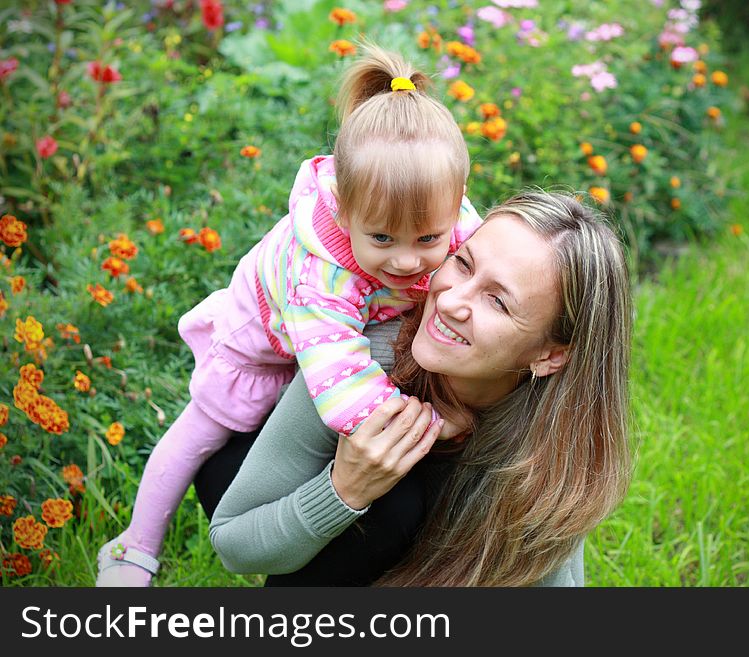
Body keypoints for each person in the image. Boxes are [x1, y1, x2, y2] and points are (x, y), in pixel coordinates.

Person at [95, 44, 482, 586]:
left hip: (331, 339)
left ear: (456, 202)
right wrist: (432, 425)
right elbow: (341, 383)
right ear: (344, 209)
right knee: (196, 437)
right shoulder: (320, 278)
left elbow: (479, 262)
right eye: (381, 238)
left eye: (428, 238)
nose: (406, 260)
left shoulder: (454, 220)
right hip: (257, 350)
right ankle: (134, 548)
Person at [208, 191, 633, 586]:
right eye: (463, 263)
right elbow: (235, 544)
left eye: (497, 301)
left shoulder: (551, 444)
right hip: (266, 474)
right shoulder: (358, 362)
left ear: (551, 355)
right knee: (394, 506)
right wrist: (344, 489)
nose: (449, 301)